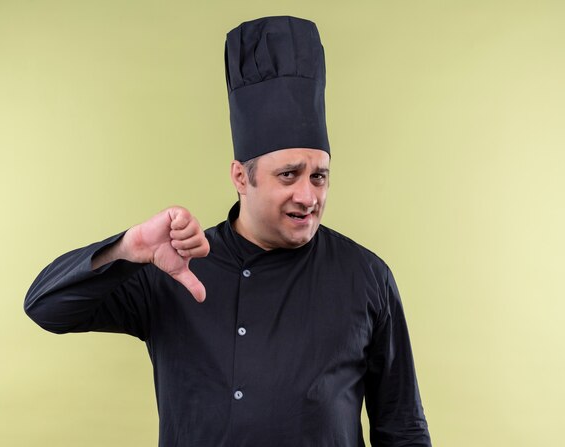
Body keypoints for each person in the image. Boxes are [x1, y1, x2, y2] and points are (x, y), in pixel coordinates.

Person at [25, 16, 432, 447]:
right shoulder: (176, 265)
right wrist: (126, 248)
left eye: (319, 176)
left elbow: (402, 427)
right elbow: (45, 307)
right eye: (289, 175)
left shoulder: (366, 277)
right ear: (241, 176)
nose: (308, 196)